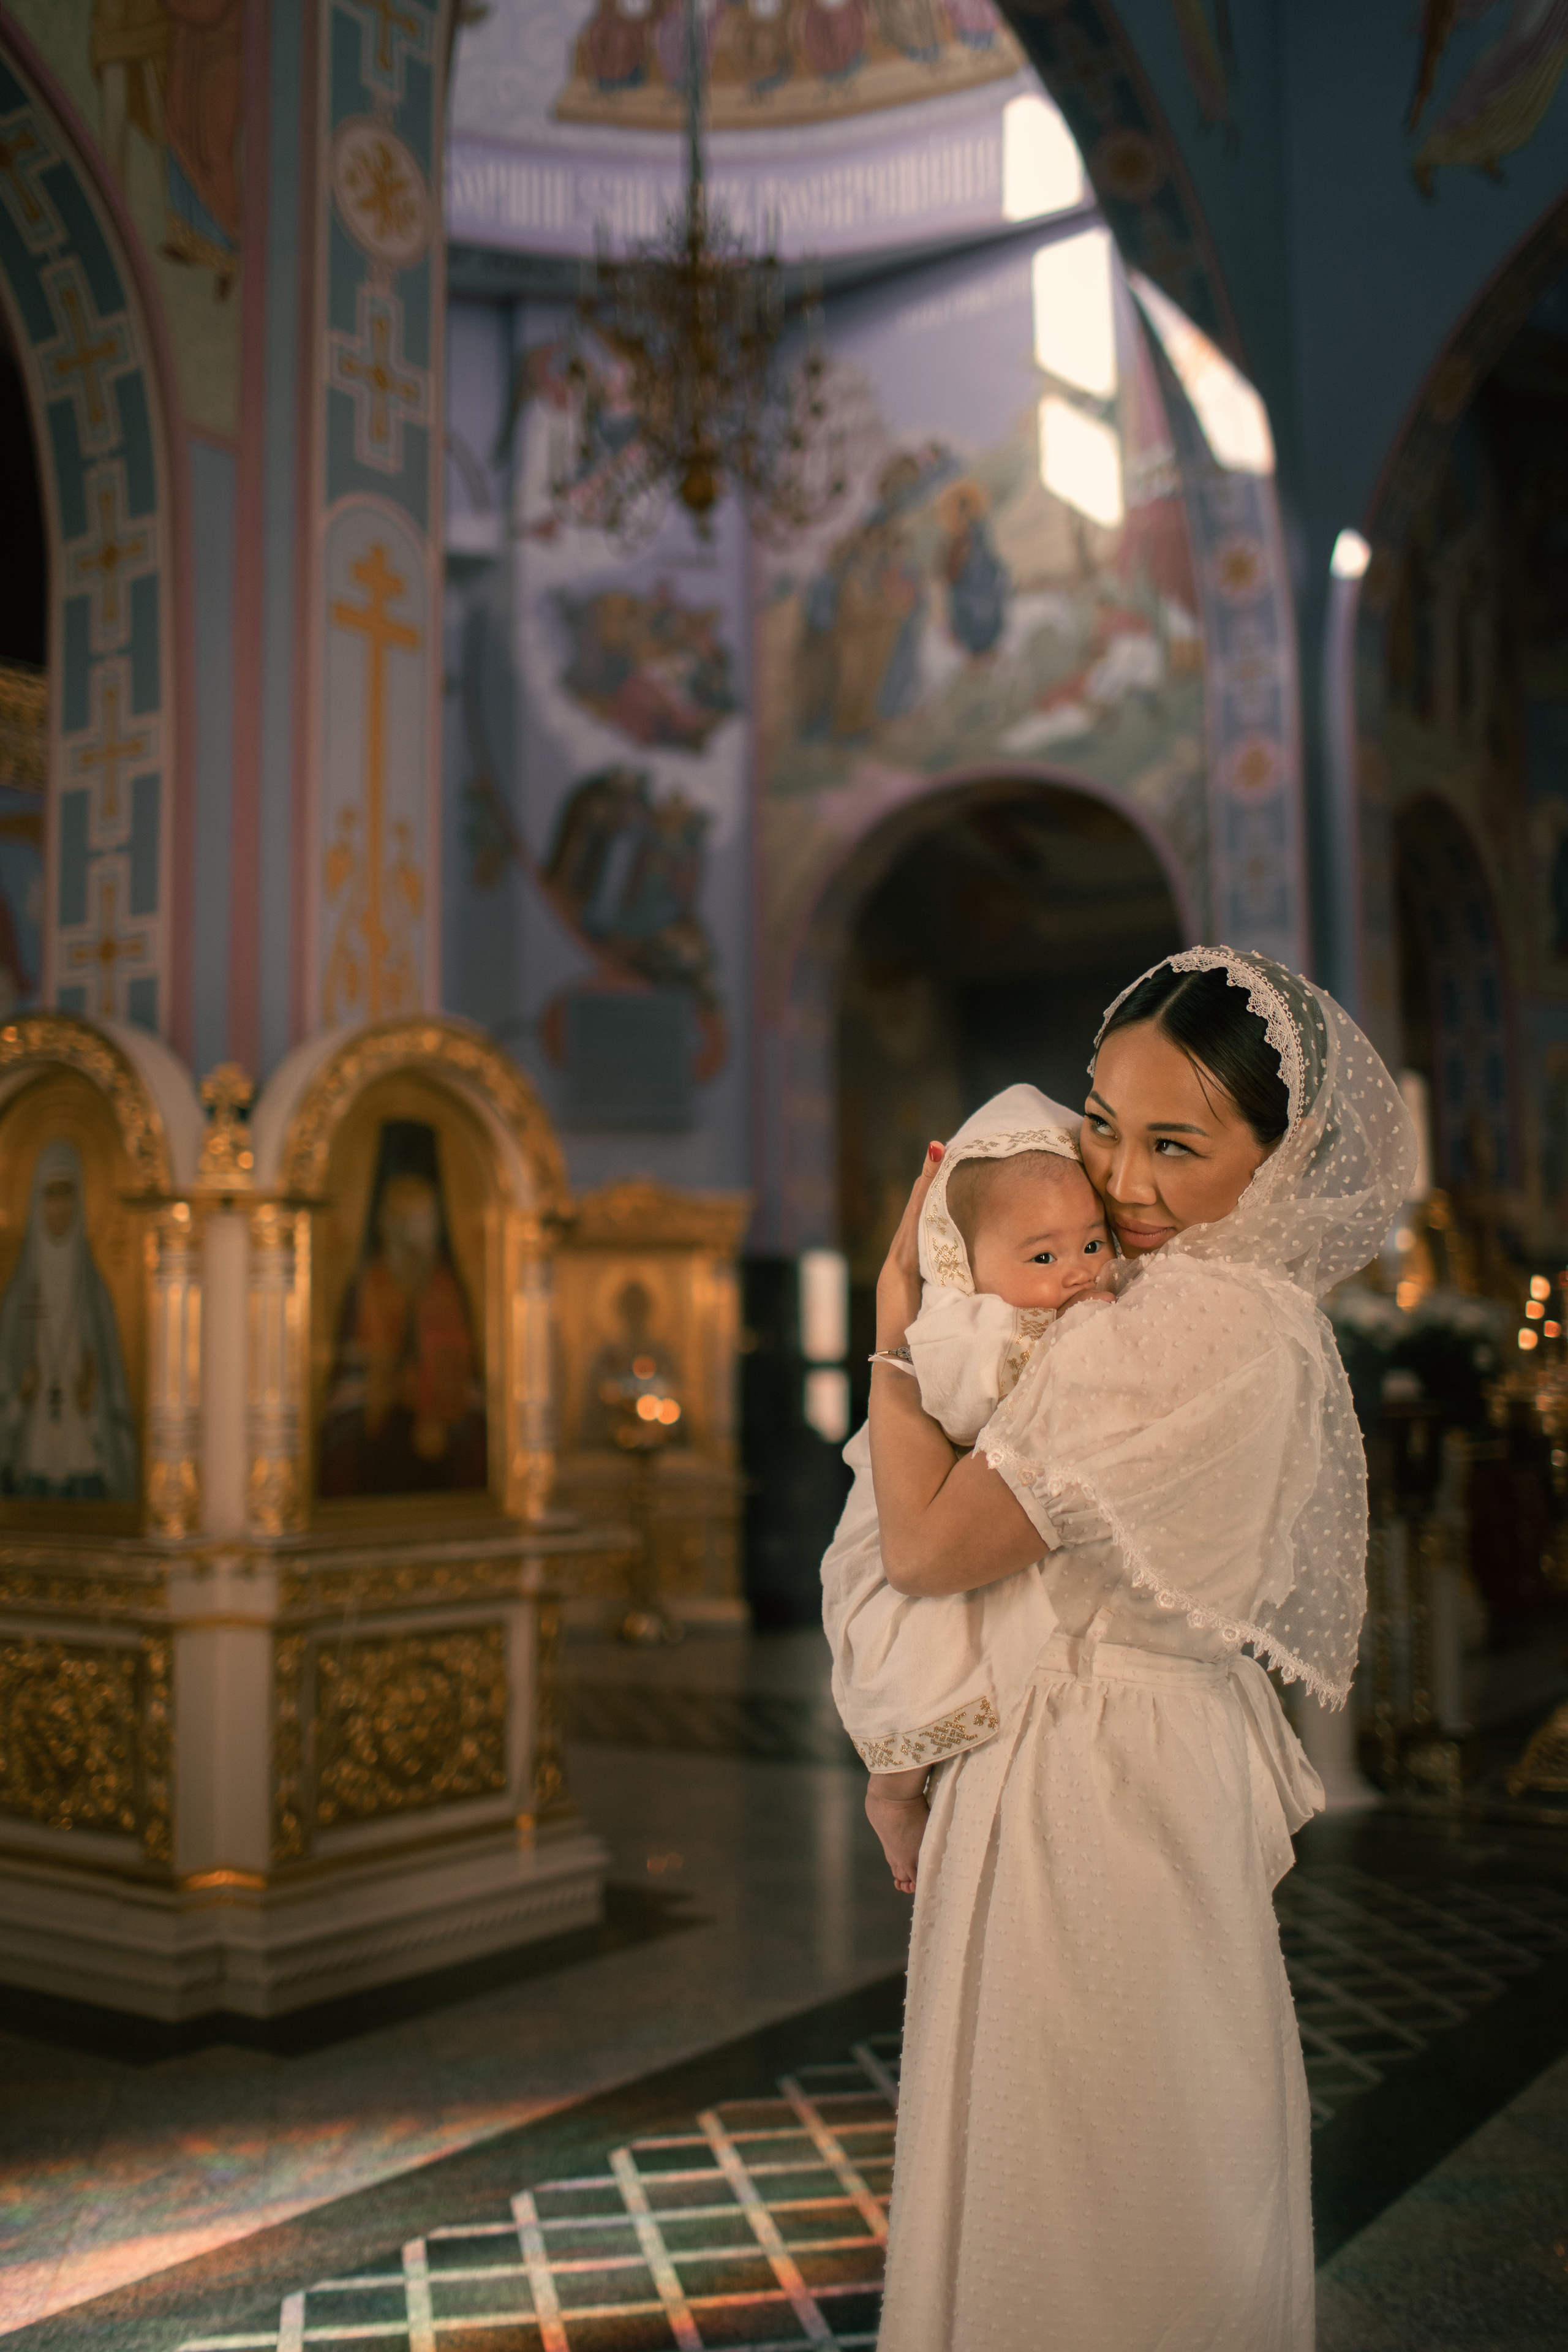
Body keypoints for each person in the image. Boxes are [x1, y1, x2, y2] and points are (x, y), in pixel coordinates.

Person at [867, 948, 1415, 2352]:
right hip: (1137, 1760)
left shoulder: (1178, 1327)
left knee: (1080, 2179)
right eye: (1102, 1119)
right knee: (1155, 2148)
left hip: (1084, 1787)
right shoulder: (1246, 1316)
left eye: (1177, 1144)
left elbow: (926, 1546)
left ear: (1277, 1164)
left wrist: (888, 1334)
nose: (1118, 1178)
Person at [822, 1085, 1111, 1892]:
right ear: (966, 1266)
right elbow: (950, 1406)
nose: (1081, 1274)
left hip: (973, 1518)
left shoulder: (1087, 1313)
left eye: (1094, 1244)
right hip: (900, 1524)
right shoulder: (967, 1327)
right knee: (913, 1644)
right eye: (1044, 1257)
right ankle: (892, 1791)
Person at [318, 1120, 486, 1498]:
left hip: (441, 1459)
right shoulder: (367, 1287)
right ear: (384, 1220)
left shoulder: (448, 1288)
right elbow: (343, 1389)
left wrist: (441, 1405)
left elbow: (472, 1390)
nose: (410, 1228)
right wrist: (387, 1392)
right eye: (400, 1213)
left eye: (419, 1213)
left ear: (435, 1220)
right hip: (376, 1452)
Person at [0, 1137, 137, 1501]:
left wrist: (96, 1395)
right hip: (32, 1448)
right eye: (50, 1194)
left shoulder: (95, 1293)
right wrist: (18, 1395)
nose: (58, 1206)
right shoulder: (18, 1295)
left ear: (80, 1200)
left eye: (67, 1193)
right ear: (34, 1201)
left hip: (85, 1449)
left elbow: (116, 1391)